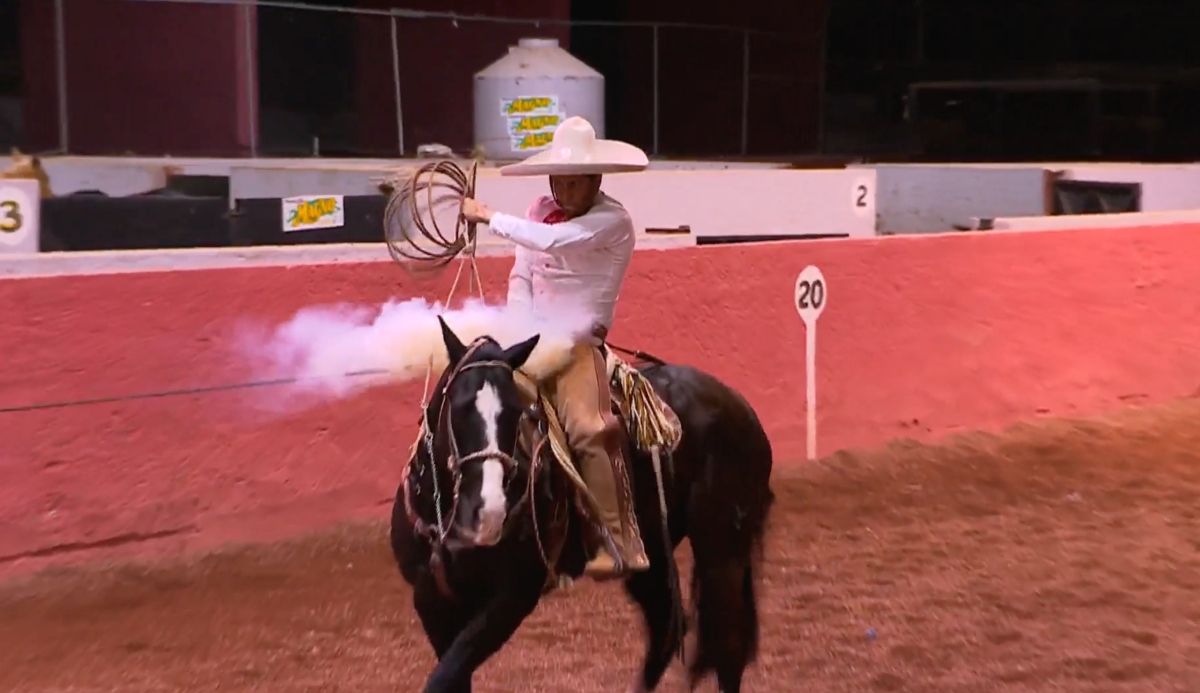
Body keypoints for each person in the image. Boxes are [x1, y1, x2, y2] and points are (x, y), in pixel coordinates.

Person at [459, 116, 649, 580]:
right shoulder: (538, 209)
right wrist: (515, 334)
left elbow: (552, 241)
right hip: (531, 342)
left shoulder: (613, 221)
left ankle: (622, 545)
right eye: (559, 181)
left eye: (575, 182)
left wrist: (487, 216)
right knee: (482, 405)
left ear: (596, 181)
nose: (564, 191)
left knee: (588, 428)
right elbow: (522, 274)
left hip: (577, 346)